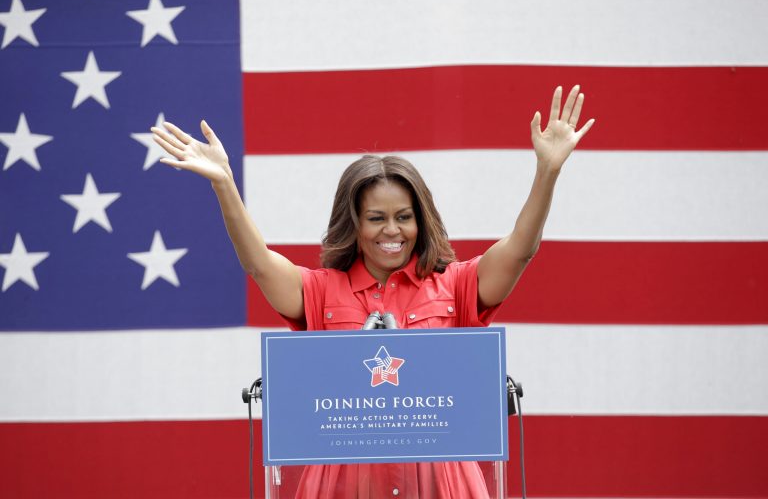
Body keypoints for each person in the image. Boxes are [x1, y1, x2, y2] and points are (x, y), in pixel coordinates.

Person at [152, 85, 594, 498]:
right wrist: (224, 183)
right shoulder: (322, 291)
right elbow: (259, 264)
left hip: (445, 484)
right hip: (341, 484)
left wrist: (547, 172)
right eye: (376, 217)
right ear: (354, 223)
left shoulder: (456, 284)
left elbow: (520, 251)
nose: (392, 230)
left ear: (420, 220)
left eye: (404, 216)